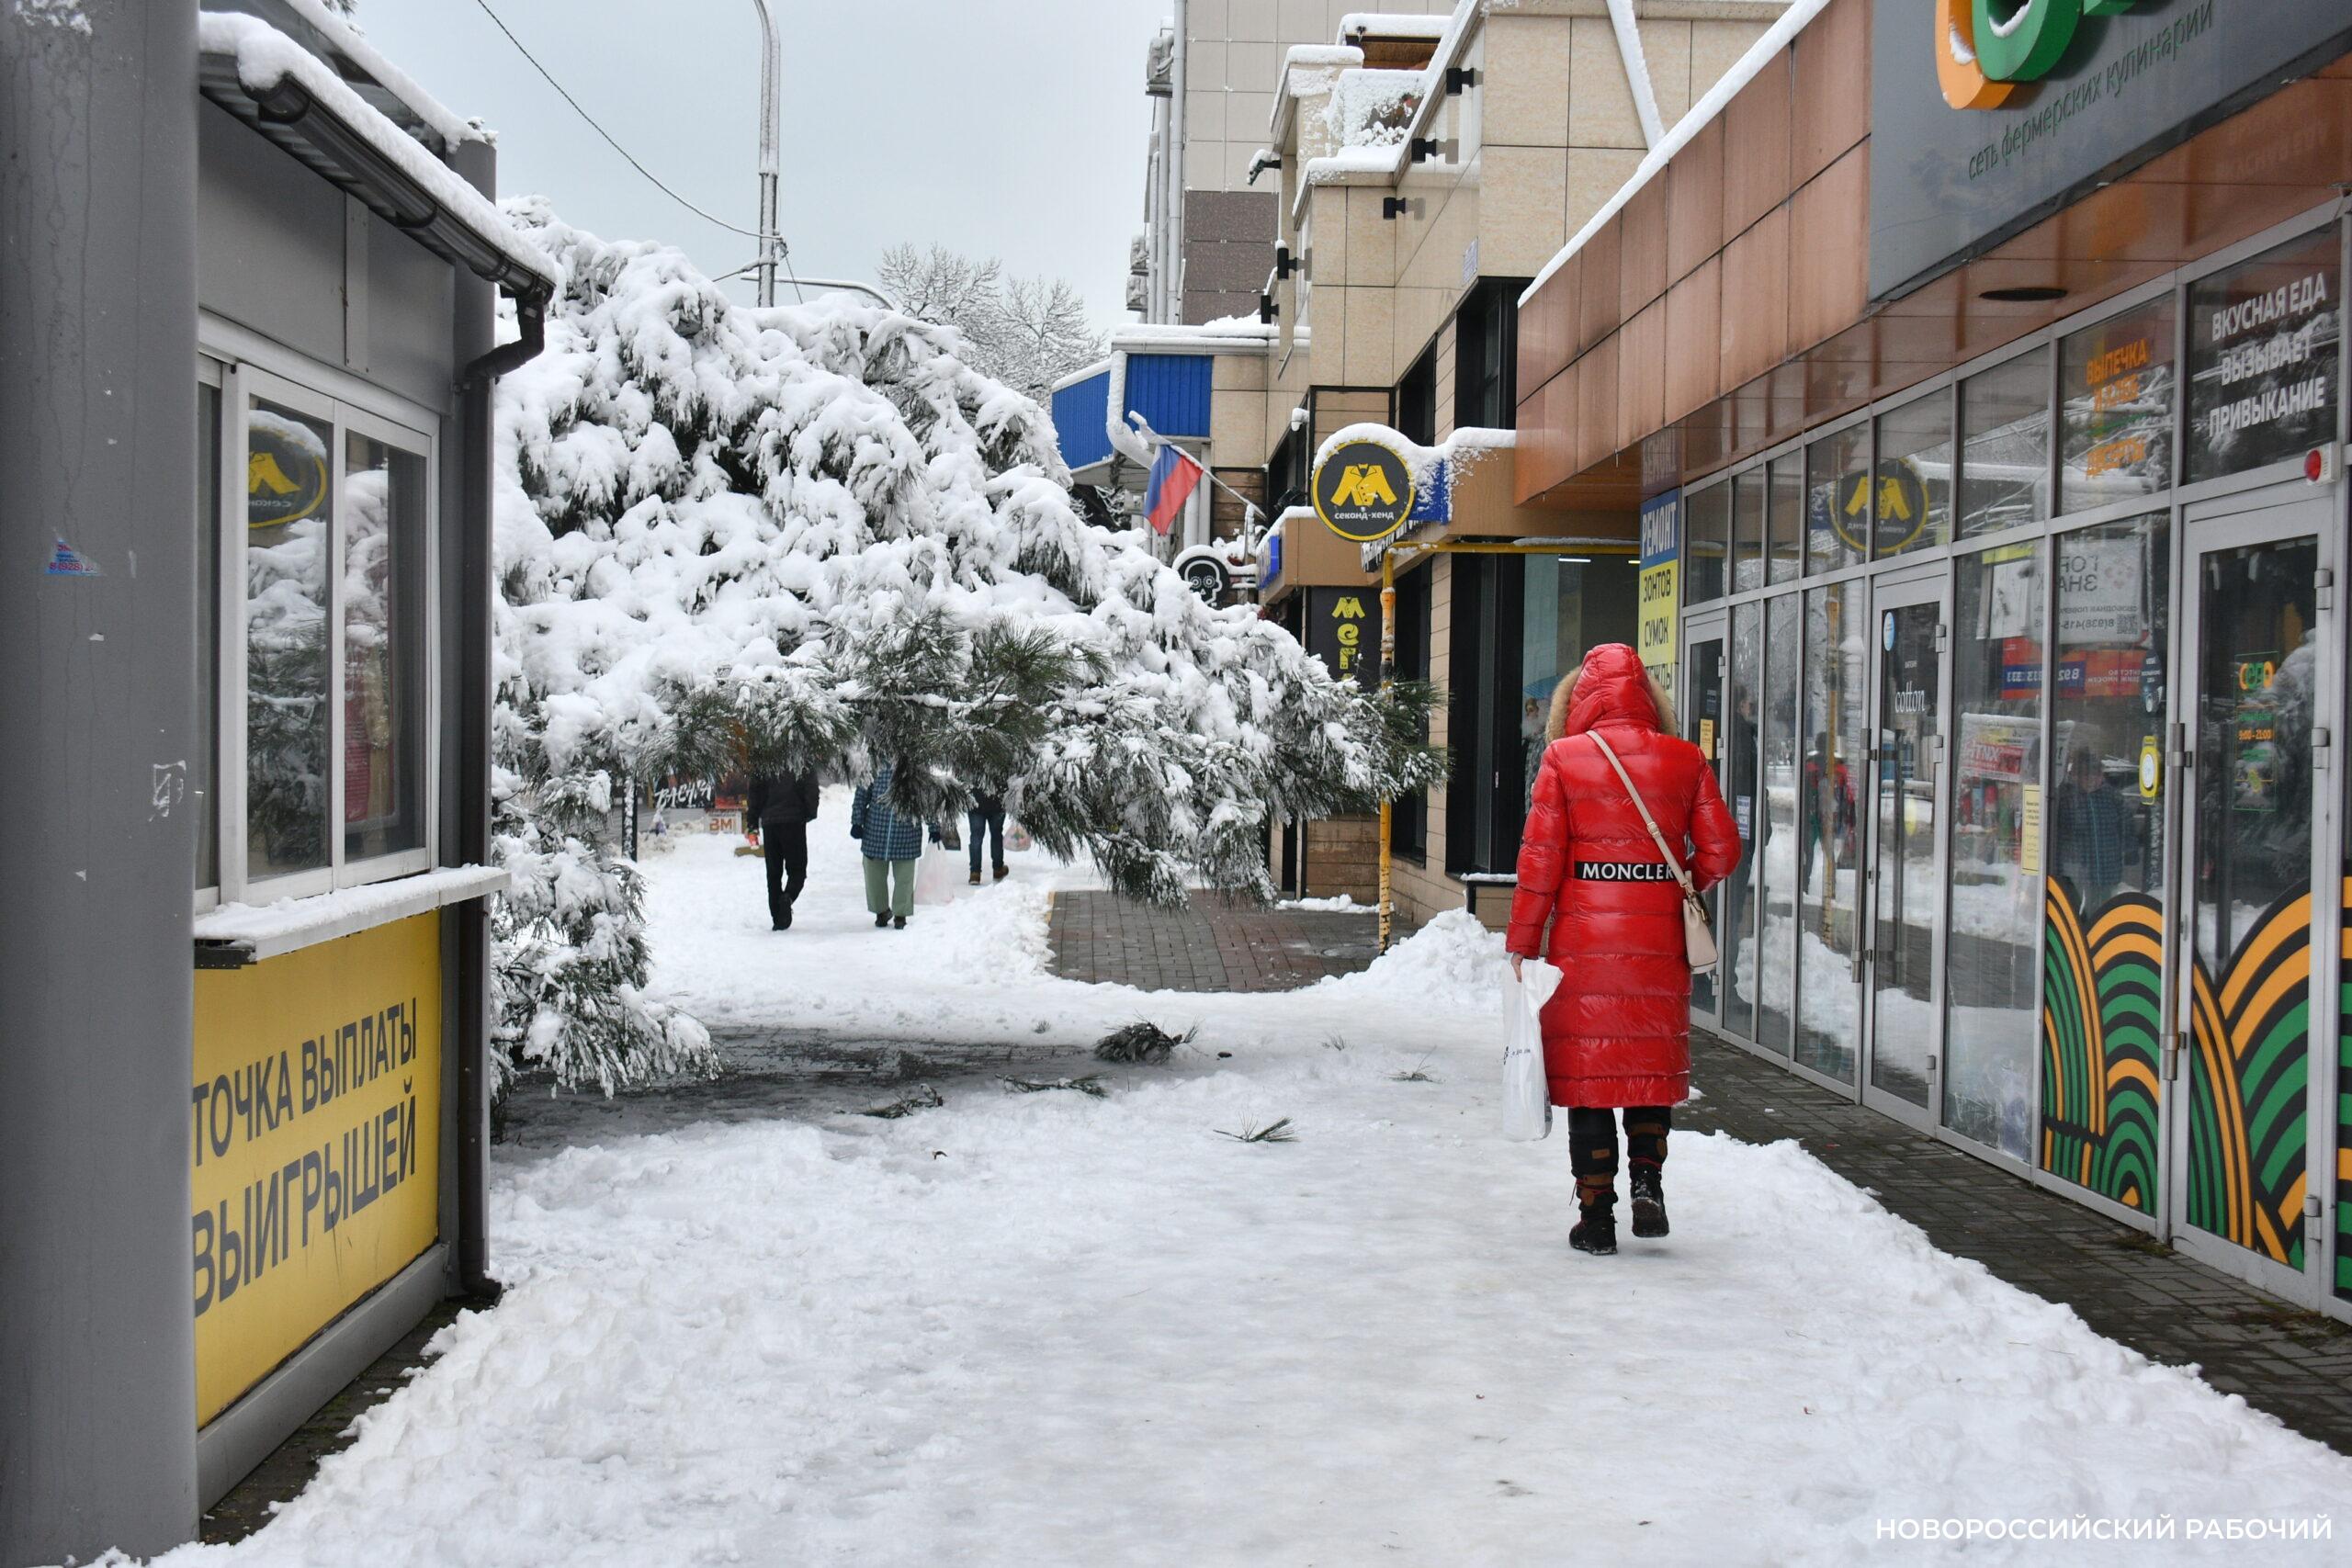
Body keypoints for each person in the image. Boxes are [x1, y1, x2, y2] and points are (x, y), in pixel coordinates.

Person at [1507, 644, 1741, 1257]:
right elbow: (1722, 850)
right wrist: (1675, 878)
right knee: (1645, 1066)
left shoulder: (1562, 759)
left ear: (1578, 702)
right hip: (1658, 940)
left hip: (1582, 943)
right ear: (1649, 700)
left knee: (1589, 1076)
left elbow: (1539, 863)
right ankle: (1648, 1181)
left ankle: (1597, 1215)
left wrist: (1523, 942)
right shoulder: (1684, 758)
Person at [744, 766, 820, 931]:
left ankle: (777, 918)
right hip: (794, 820)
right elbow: (811, 785)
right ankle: (788, 897)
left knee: (773, 873)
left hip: (770, 822)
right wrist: (810, 811)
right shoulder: (799, 751)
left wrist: (752, 823)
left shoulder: (765, 756)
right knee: (798, 870)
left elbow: (755, 791)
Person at [851, 761, 923, 930]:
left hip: (906, 832)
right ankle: (881, 911)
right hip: (876, 831)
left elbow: (926, 798)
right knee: (873, 875)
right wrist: (857, 821)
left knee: (904, 877)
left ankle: (901, 914)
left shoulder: (915, 764)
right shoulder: (874, 761)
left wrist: (934, 828)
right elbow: (862, 792)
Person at [2053, 746, 2126, 913]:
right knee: (2072, 903)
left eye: (2097, 775)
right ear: (2076, 776)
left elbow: (2124, 824)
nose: (2092, 780)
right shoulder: (2067, 797)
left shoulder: (2110, 796)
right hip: (2077, 863)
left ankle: (2097, 933)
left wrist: (2129, 849)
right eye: (2087, 776)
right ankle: (2079, 933)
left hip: (2106, 864)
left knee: (2102, 904)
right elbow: (2060, 831)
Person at [967, 790, 1008, 886]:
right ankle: (998, 869)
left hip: (976, 801)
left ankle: (975, 873)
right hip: (997, 801)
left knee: (976, 837)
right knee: (996, 836)